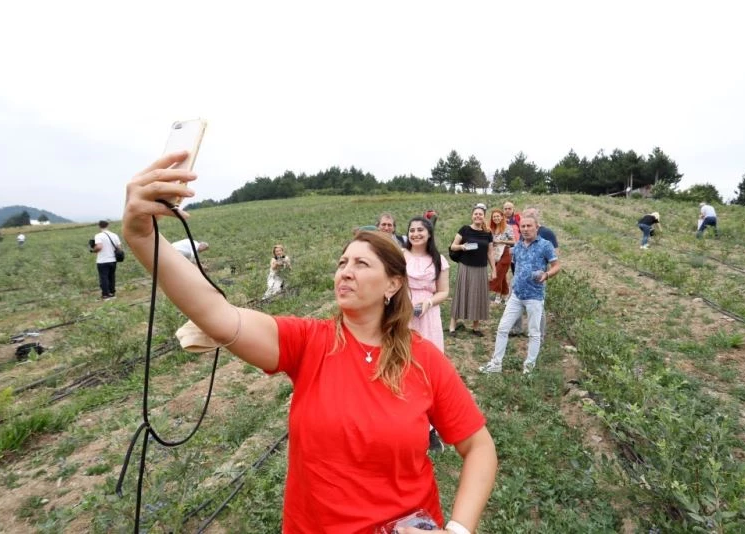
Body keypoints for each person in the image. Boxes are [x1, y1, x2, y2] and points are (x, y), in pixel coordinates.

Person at [122, 151, 497, 534]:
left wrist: (458, 528)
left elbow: (479, 448)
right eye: (341, 263)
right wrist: (142, 237)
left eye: (361, 264)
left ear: (393, 284)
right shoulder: (308, 343)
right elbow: (219, 317)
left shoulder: (423, 360)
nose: (345, 272)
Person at [479, 215, 561, 376]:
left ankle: (528, 367)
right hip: (516, 295)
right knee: (502, 328)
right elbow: (514, 264)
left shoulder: (545, 245)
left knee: (534, 333)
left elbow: (556, 266)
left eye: (529, 226)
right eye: (522, 226)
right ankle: (496, 363)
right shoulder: (518, 246)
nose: (525, 229)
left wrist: (546, 275)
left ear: (537, 227)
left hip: (534, 297)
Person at [404, 216, 450, 454]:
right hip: (404, 315)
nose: (415, 234)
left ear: (429, 234)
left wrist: (428, 302)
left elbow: (444, 291)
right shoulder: (401, 257)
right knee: (403, 367)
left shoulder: (438, 260)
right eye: (412, 230)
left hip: (428, 316)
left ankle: (430, 428)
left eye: (420, 230)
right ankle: (405, 421)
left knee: (427, 370)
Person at [510, 208, 559, 339]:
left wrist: (546, 273)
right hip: (519, 275)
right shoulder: (524, 231)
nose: (525, 226)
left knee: (537, 307)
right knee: (515, 300)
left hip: (537, 277)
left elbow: (554, 256)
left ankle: (539, 335)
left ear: (536, 221)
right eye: (525, 217)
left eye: (530, 216)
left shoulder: (547, 233)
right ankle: (517, 328)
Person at [448, 205, 496, 337]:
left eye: (480, 214)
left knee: (479, 296)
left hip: (481, 268)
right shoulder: (465, 229)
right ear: (472, 215)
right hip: (466, 267)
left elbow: (490, 253)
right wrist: (462, 246)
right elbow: (453, 246)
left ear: (483, 216)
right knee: (461, 294)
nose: (478, 216)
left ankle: (475, 327)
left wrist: (494, 270)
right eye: (475, 214)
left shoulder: (487, 233)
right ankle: (452, 326)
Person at [488, 208, 515, 305]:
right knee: (502, 276)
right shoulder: (490, 229)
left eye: (498, 216)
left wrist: (501, 241)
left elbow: (513, 242)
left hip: (505, 252)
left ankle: (487, 287)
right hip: (495, 253)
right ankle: (502, 296)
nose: (496, 218)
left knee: (498, 272)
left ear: (502, 217)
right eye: (494, 217)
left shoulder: (508, 227)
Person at [92, 220, 121, 300]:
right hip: (113, 260)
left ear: (99, 226)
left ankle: (105, 295)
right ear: (108, 225)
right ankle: (112, 293)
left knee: (104, 278)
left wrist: (93, 250)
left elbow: (99, 247)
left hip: (102, 260)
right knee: (112, 277)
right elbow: (119, 248)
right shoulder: (114, 235)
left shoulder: (98, 235)